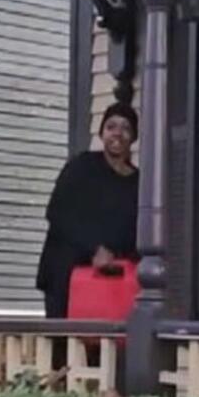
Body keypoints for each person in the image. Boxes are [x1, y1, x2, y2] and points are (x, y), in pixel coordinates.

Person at [36, 102, 139, 318]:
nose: (117, 133)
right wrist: (95, 249)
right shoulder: (81, 166)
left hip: (111, 281)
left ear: (133, 137)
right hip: (65, 274)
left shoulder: (138, 183)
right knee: (64, 337)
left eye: (125, 128)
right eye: (111, 126)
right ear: (102, 133)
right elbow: (57, 212)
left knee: (104, 337)